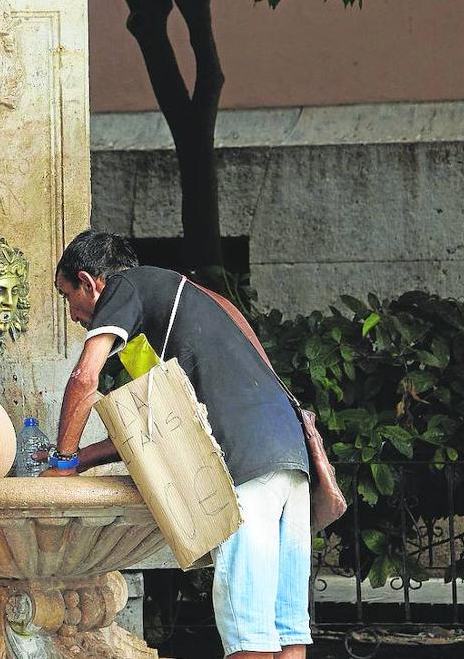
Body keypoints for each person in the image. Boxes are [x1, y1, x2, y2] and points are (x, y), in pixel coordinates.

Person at [43, 230, 311, 659]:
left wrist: (63, 461)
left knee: (249, 632)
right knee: (286, 631)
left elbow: (84, 378)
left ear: (89, 281)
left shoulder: (124, 287)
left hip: (245, 462)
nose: (73, 316)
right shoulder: (173, 299)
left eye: (66, 296)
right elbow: (155, 424)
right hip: (290, 453)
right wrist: (86, 460)